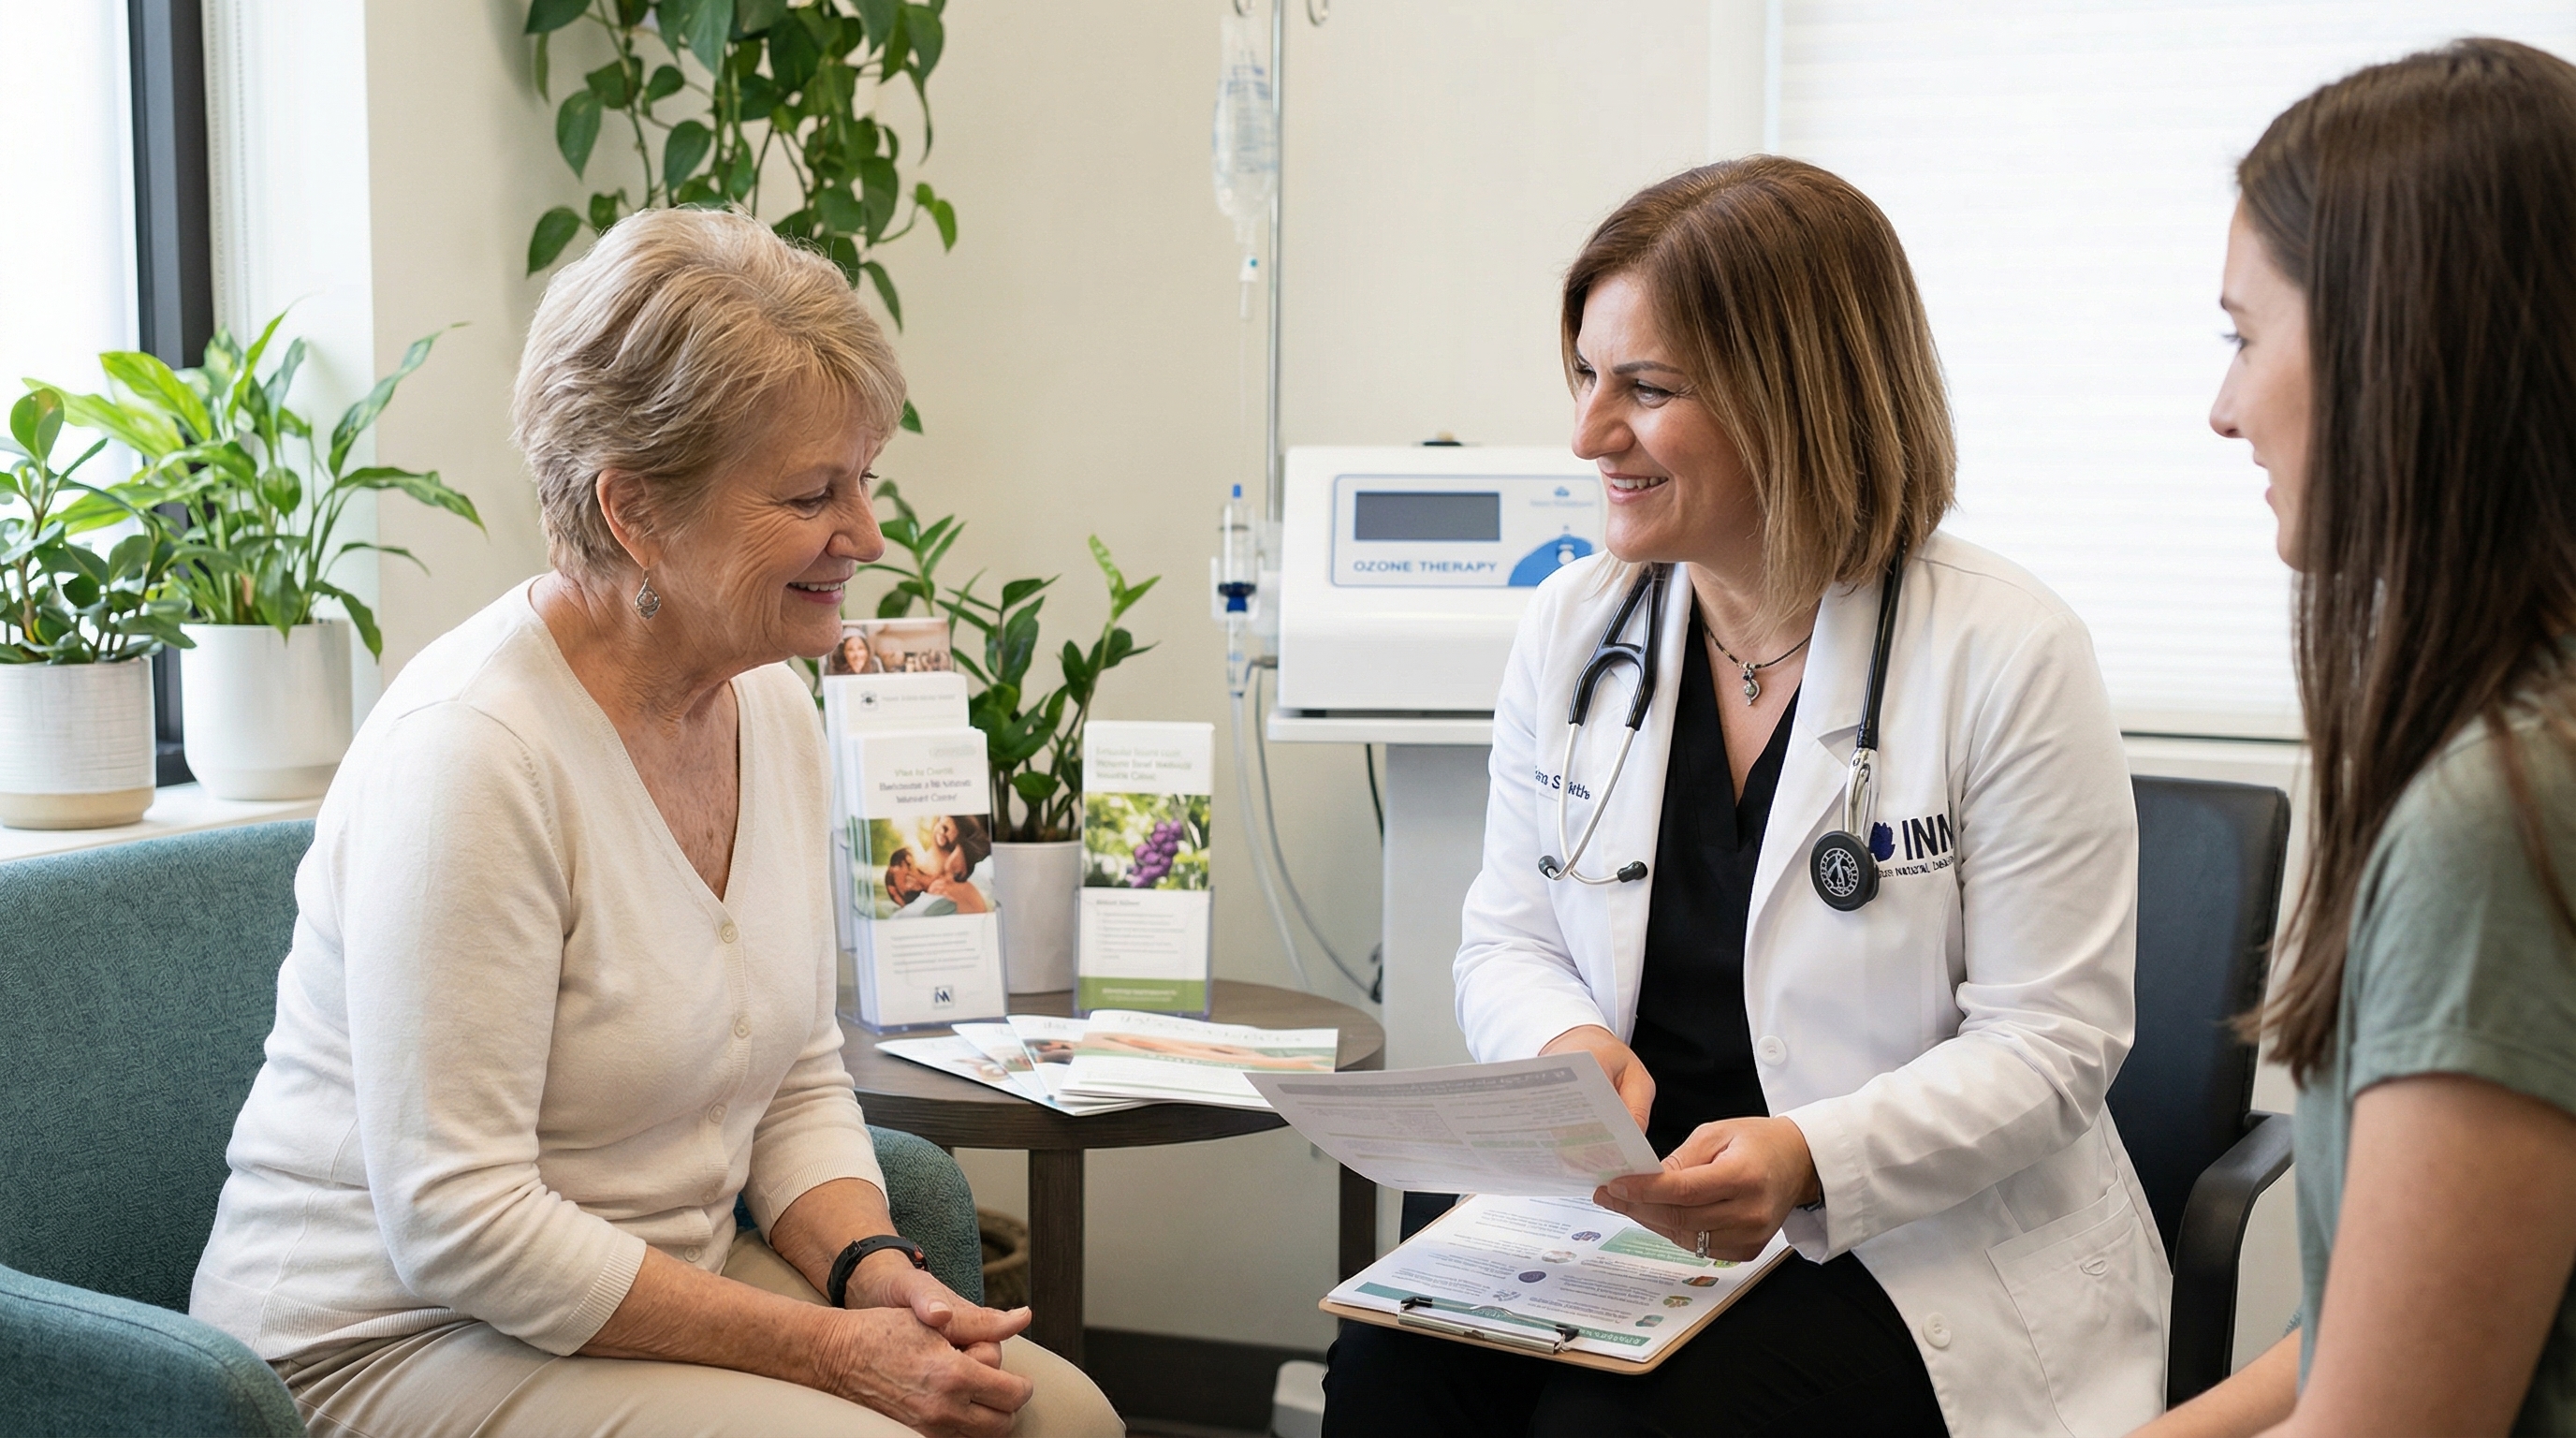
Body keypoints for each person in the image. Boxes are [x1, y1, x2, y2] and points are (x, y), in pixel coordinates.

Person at [187, 207, 1121, 1438]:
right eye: (810, 493)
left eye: (865, 479)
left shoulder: (773, 709)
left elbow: (790, 1075)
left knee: (1063, 1421)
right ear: (635, 512)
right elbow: (460, 1229)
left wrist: (878, 1280)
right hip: (391, 1342)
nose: (869, 535)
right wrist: (834, 1354)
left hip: (644, 1293)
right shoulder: (475, 756)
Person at [1324, 156, 2165, 1436]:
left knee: (1620, 1428)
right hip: (1622, 1211)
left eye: (1646, 390)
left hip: (1893, 1242)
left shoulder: (2006, 651)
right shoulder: (1575, 627)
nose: (1589, 434)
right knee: (1387, 1377)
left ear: (1796, 399)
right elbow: (1508, 934)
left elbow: (2053, 1045)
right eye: (1587, 377)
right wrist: (1566, 1049)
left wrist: (1811, 1155)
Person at [2134, 37, 2576, 1438]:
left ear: (2401, 342)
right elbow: (2348, 1339)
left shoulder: (2496, 818)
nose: (2224, 408)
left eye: (2244, 336)